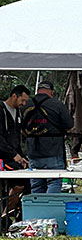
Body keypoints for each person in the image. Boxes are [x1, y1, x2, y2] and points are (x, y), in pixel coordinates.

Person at [23, 80, 74, 194]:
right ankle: (50, 209)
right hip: (53, 150)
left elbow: (20, 126)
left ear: (37, 91)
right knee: (54, 181)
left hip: (33, 150)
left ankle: (37, 210)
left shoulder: (26, 104)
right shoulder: (57, 105)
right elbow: (69, 124)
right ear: (51, 92)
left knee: (36, 184)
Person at [0, 85, 31, 221]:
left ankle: (12, 213)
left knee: (27, 182)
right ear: (14, 96)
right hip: (3, 158)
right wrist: (13, 155)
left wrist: (22, 157)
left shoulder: (18, 113)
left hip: (13, 155)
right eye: (22, 100)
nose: (23, 104)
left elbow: (16, 139)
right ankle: (5, 213)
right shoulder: (1, 110)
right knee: (18, 181)